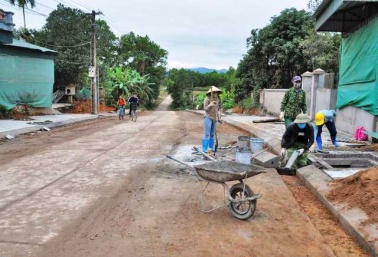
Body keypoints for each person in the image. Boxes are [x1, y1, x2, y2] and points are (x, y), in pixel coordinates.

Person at [202, 86, 222, 154]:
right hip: (208, 117)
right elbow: (205, 109)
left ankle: (211, 147)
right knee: (207, 134)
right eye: (214, 92)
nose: (215, 94)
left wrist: (219, 118)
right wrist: (210, 105)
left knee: (212, 134)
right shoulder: (207, 99)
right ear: (211, 93)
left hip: (214, 118)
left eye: (216, 93)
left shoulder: (218, 99)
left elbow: (219, 108)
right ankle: (204, 148)